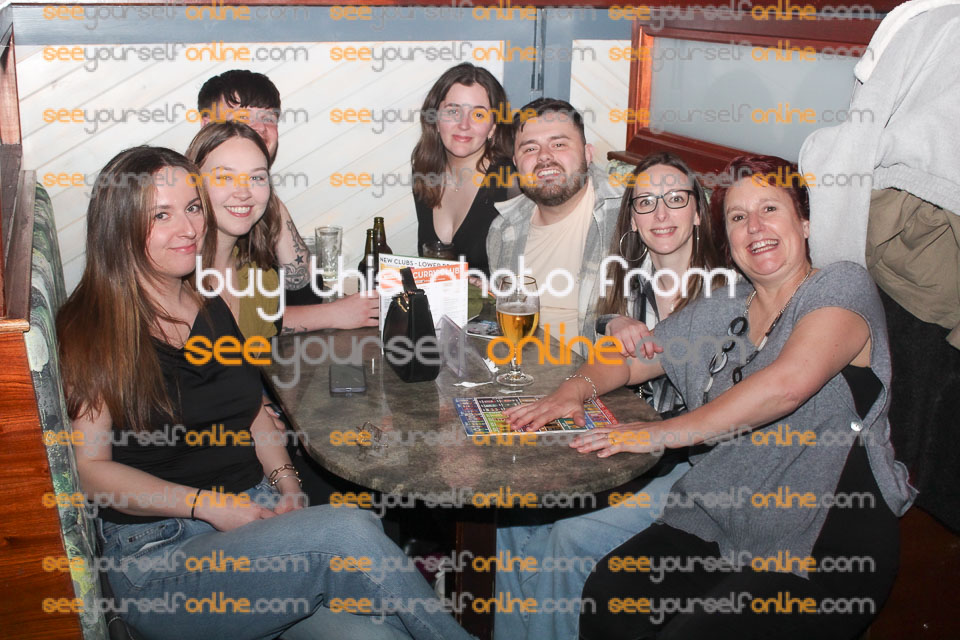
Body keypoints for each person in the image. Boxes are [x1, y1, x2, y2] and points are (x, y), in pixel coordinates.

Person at [56, 145, 472, 640]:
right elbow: (90, 470)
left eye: (192, 208)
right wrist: (209, 505)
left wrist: (289, 488)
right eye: (160, 215)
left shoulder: (207, 305)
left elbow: (252, 411)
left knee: (378, 634)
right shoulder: (90, 329)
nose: (188, 229)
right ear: (119, 225)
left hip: (255, 520)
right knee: (348, 528)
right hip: (160, 558)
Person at [506, 155, 915, 639]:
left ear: (804, 222)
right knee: (610, 595)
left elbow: (786, 384)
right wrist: (573, 391)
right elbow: (630, 358)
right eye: (738, 217)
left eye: (770, 209)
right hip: (717, 525)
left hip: (821, 544)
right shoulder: (723, 307)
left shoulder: (840, 285)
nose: (754, 227)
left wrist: (659, 434)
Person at [493, 152, 725, 640]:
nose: (661, 214)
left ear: (698, 211)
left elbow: (658, 356)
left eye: (675, 199)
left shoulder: (725, 291)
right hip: (623, 441)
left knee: (568, 535)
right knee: (513, 514)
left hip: (692, 462)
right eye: (646, 203)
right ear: (633, 219)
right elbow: (604, 350)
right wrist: (606, 327)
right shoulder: (629, 280)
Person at [185, 121, 377, 340]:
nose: (243, 192)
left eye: (256, 177)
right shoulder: (176, 279)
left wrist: (336, 314)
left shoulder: (257, 274)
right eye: (225, 177)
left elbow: (299, 299)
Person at [486, 98, 622, 343]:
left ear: (588, 154)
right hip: (522, 362)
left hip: (596, 365)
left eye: (559, 144)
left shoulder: (626, 215)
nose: (544, 157)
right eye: (530, 149)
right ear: (516, 164)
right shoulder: (503, 231)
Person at [198, 69, 313, 296]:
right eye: (243, 117)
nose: (260, 127)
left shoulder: (259, 197)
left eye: (268, 118)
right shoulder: (186, 197)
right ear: (207, 125)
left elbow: (303, 287)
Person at [412, 62, 516, 276]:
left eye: (478, 115)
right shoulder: (424, 172)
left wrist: (491, 285)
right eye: (453, 111)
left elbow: (531, 266)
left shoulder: (512, 181)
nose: (464, 125)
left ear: (493, 127)